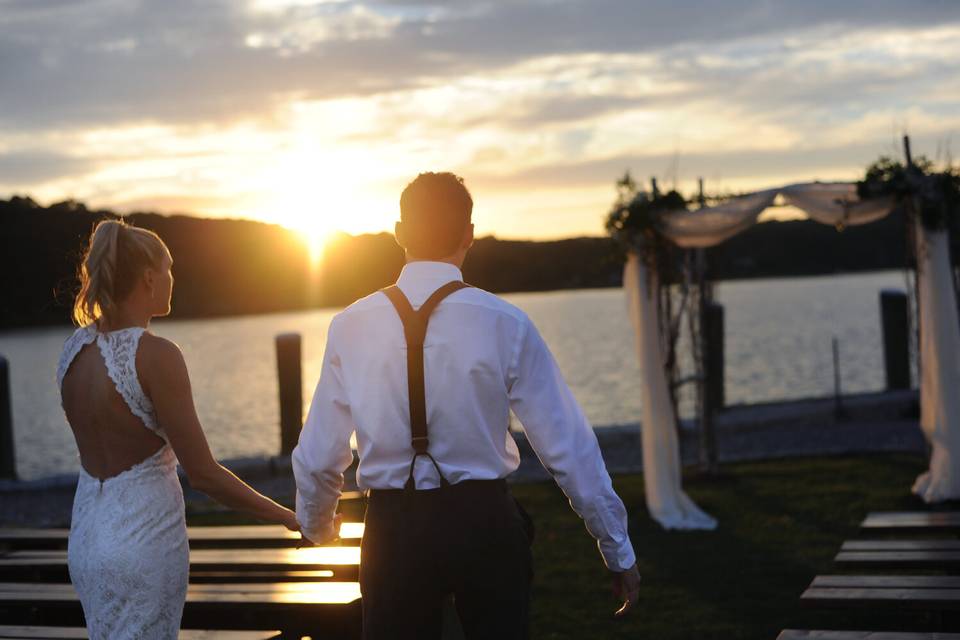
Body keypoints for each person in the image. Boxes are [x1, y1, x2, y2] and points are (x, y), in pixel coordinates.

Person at [293, 172, 641, 639]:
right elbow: (568, 445)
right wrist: (615, 548)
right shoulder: (505, 322)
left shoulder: (350, 325)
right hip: (485, 526)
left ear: (399, 235)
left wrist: (317, 526)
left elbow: (318, 456)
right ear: (469, 236)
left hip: (393, 533)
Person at [57, 219, 307, 639]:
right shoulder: (157, 355)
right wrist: (285, 515)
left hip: (85, 541)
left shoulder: (73, 353)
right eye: (169, 270)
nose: (174, 279)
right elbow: (205, 474)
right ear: (151, 277)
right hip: (142, 543)